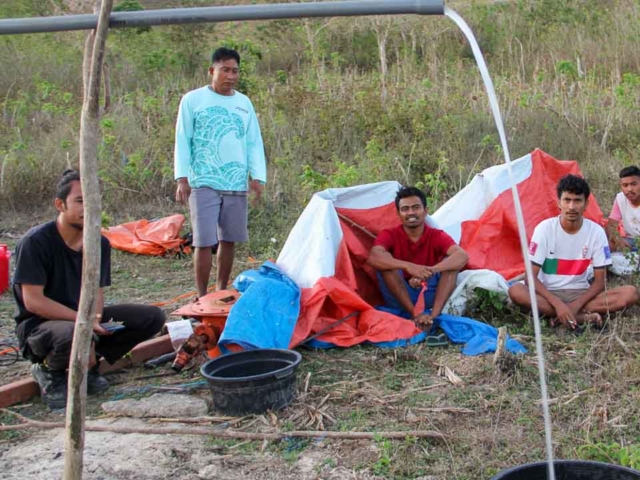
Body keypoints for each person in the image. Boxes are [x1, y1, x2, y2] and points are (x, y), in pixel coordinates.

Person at [12, 170, 166, 409]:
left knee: (151, 317)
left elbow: (97, 291)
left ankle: (90, 366)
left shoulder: (99, 242)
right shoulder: (35, 242)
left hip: (80, 318)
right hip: (40, 327)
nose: (88, 207)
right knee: (71, 333)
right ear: (59, 204)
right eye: (80, 201)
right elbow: (33, 302)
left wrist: (94, 320)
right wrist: (83, 322)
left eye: (93, 200)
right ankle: (48, 372)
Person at [174, 47, 267, 297]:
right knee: (203, 240)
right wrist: (182, 178)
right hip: (203, 181)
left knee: (229, 239)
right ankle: (202, 295)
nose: (231, 76)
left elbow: (253, 142)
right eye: (225, 70)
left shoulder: (243, 103)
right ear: (211, 71)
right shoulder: (193, 100)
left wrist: (257, 177)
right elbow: (183, 139)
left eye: (235, 71)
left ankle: (221, 290)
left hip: (235, 181)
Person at [508, 174, 638, 329]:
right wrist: (558, 304)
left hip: (580, 294)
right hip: (548, 294)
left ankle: (564, 316)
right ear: (559, 203)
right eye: (567, 200)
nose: (571, 207)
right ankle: (580, 317)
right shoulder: (544, 229)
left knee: (630, 293)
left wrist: (574, 306)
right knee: (515, 290)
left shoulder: (596, 232)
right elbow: (531, 278)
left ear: (586, 204)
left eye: (577, 201)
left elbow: (599, 282)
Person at [367, 186, 469, 328]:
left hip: (430, 293)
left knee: (452, 264)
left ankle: (434, 316)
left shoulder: (436, 235)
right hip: (402, 297)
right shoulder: (389, 234)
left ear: (425, 210)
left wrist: (430, 271)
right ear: (398, 213)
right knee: (386, 265)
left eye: (416, 207)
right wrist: (408, 266)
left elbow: (462, 256)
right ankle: (415, 314)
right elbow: (374, 257)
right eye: (405, 209)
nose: (411, 213)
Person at [606, 166, 640, 251]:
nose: (629, 189)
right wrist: (619, 241)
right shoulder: (620, 198)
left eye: (634, 184)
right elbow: (611, 225)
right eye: (625, 185)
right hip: (630, 240)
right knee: (607, 245)